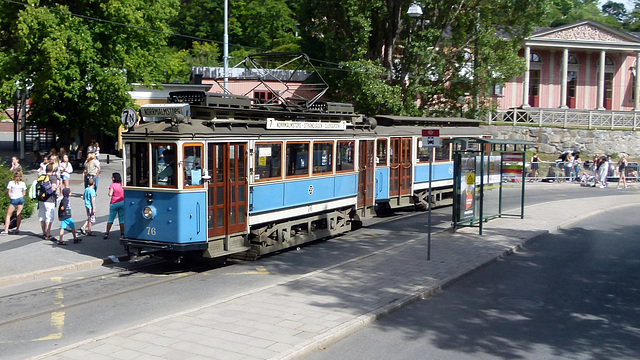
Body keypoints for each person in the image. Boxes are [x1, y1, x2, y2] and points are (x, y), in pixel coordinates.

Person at [38, 164, 58, 240]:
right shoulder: (53, 178)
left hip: (41, 199)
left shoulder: (41, 177)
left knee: (42, 216)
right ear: (52, 170)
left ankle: (43, 232)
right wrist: (57, 186)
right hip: (49, 200)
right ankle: (48, 234)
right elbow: (53, 188)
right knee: (49, 217)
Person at [105, 172, 125, 239]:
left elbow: (110, 194)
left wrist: (111, 193)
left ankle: (107, 233)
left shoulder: (112, 185)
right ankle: (122, 233)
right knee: (121, 219)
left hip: (114, 202)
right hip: (122, 202)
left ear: (114, 178)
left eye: (112, 177)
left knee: (111, 218)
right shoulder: (122, 184)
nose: (111, 178)